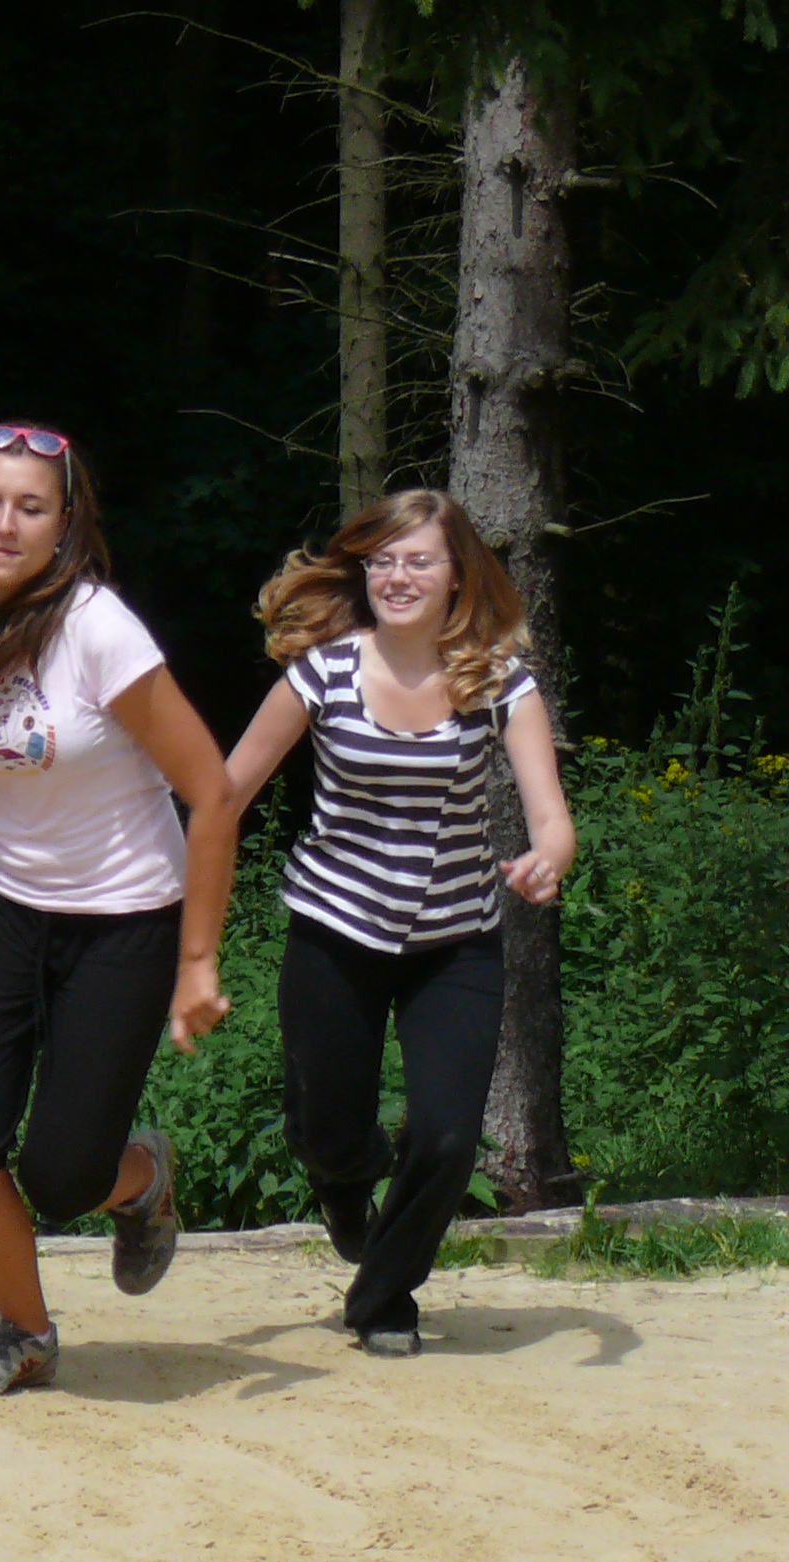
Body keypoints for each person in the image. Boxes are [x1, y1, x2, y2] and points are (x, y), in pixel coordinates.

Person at [0, 423, 238, 1398]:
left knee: (64, 1177)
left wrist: (198, 960)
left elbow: (213, 791)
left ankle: (142, 1179)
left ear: (65, 524)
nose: (5, 523)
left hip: (126, 917)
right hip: (1, 907)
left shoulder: (100, 630)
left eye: (31, 507)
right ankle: (24, 1332)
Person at [220, 490, 572, 1357]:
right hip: (334, 930)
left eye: (419, 560)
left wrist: (548, 856)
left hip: (454, 941)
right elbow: (227, 791)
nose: (398, 576)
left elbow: (551, 818)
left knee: (447, 1136)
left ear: (457, 575)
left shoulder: (498, 680)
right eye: (382, 561)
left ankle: (384, 1295)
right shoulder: (323, 673)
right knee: (330, 1135)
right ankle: (343, 1183)